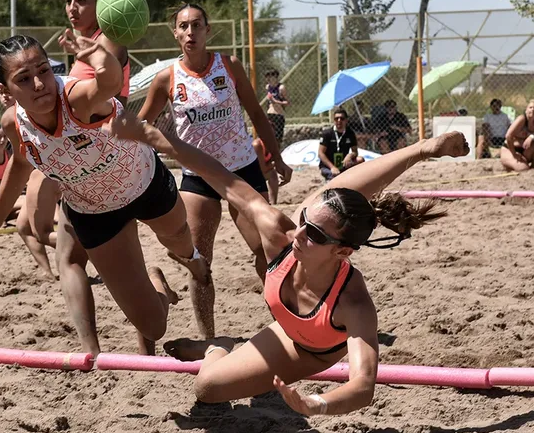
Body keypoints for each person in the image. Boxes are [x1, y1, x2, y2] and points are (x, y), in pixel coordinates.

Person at [106, 106, 469, 416]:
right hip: (286, 329)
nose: (299, 234)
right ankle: (222, 345)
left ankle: (219, 349)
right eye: (304, 227)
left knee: (207, 387)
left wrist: (318, 402)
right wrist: (153, 137)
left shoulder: (353, 302)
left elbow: (363, 386)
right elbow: (219, 175)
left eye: (313, 235)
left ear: (343, 253)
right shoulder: (285, 234)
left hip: (311, 352)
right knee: (207, 388)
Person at [0, 32, 208, 356]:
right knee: (153, 325)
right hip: (95, 210)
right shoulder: (13, 125)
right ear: (5, 90)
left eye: (43, 70)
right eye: (24, 78)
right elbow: (18, 166)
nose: (39, 84)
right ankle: (157, 282)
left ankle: (191, 258)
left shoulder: (75, 98)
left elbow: (108, 85)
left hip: (144, 182)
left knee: (178, 237)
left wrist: (98, 57)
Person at [136, 3, 292, 348]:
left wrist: (276, 159)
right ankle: (208, 338)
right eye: (183, 26)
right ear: (175, 33)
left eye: (196, 25)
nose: (190, 32)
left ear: (208, 30)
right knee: (199, 262)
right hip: (198, 176)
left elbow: (256, 112)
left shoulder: (229, 65)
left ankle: (286, 323)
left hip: (242, 170)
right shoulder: (167, 78)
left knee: (267, 251)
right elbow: (141, 126)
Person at [0, 118, 55, 278]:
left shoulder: (9, 156)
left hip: (3, 204)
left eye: (4, 137)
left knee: (32, 202)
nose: (2, 140)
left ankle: (55, 220)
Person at [66, 0, 131, 105]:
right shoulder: (87, 44)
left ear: (100, 3)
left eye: (81, 0)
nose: (72, 8)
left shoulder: (108, 39)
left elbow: (109, 97)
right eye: (68, 1)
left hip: (103, 126)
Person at [318, 108, 364, 181]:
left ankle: (355, 179)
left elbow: (355, 151)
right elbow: (321, 153)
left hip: (343, 164)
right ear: (334, 120)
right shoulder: (327, 133)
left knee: (360, 159)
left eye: (342, 118)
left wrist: (349, 155)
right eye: (336, 118)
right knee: (336, 178)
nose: (339, 120)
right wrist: (332, 167)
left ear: (346, 120)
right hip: (329, 166)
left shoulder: (350, 133)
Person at [500, 99, 534, 172]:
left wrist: (531, 137)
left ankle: (525, 163)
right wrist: (514, 154)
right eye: (530, 107)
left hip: (525, 151)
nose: (533, 110)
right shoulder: (521, 119)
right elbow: (508, 136)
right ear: (526, 110)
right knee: (523, 169)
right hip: (510, 149)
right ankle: (510, 165)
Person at [264, 69, 289, 144]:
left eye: (270, 77)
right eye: (267, 77)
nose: (268, 79)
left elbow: (287, 102)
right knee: (268, 137)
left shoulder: (281, 88)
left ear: (275, 77)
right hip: (270, 114)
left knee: (278, 139)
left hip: (278, 114)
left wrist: (275, 102)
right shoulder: (268, 87)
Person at [252, 136, 279, 204]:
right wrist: (274, 164)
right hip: (251, 174)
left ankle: (273, 202)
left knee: (273, 173)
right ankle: (271, 201)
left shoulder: (271, 144)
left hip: (259, 173)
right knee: (272, 174)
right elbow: (262, 168)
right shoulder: (258, 145)